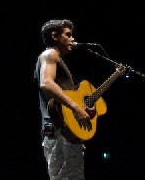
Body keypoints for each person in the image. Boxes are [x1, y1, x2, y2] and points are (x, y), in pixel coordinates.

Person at [34, 19, 92, 180]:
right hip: (57, 133)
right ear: (55, 36)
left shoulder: (59, 61)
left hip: (63, 134)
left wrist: (74, 132)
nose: (73, 39)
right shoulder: (50, 54)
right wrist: (77, 108)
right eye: (68, 35)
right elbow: (46, 83)